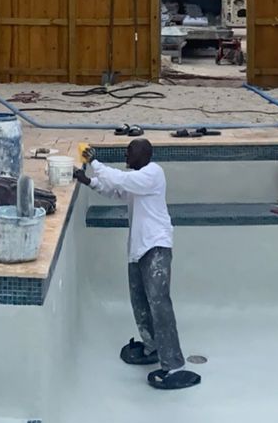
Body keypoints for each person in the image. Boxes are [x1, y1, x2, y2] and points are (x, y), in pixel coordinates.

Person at [76, 138, 200, 390]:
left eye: (129, 151)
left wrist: (94, 162)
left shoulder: (153, 174)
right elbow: (115, 190)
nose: (126, 154)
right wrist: (87, 180)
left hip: (156, 245)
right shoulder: (137, 180)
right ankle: (153, 347)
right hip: (138, 248)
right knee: (140, 302)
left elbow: (120, 181)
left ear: (144, 154)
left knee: (159, 305)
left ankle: (175, 365)